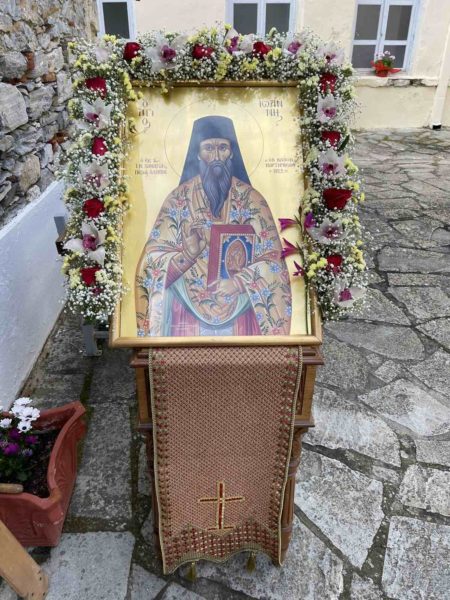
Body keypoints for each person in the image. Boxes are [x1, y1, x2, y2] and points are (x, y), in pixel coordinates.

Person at [135, 115, 292, 337]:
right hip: (186, 314)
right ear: (197, 154)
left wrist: (239, 282)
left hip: (242, 311)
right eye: (209, 148)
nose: (216, 156)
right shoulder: (178, 200)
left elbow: (274, 261)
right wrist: (187, 255)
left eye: (222, 148)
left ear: (232, 153)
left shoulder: (251, 200)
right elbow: (151, 262)